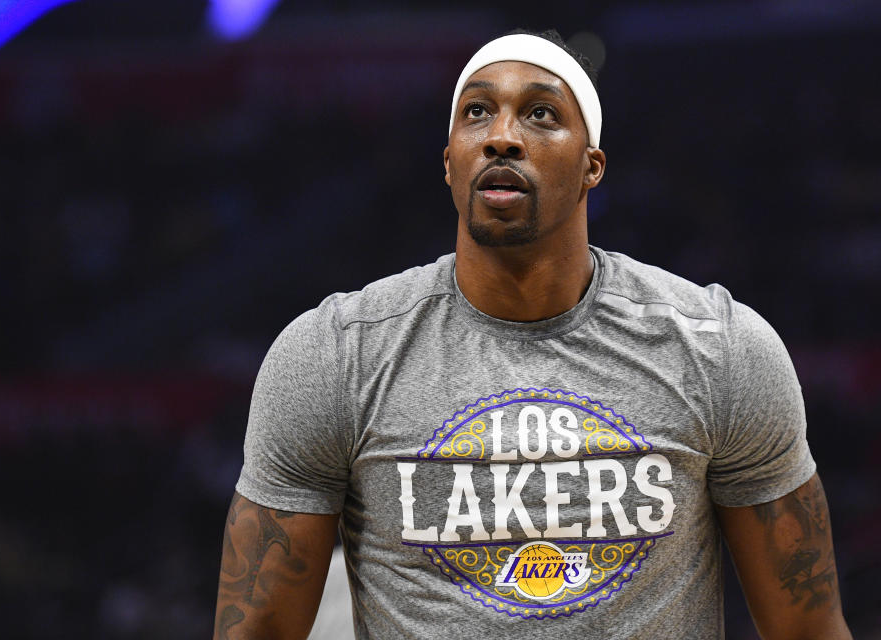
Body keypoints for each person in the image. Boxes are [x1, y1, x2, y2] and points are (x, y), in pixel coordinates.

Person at [215, 29, 852, 639]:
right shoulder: (335, 354)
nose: (501, 137)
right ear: (448, 163)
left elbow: (807, 627)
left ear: (592, 165)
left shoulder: (719, 349)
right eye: (477, 114)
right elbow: (257, 630)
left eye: (541, 114)